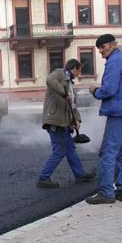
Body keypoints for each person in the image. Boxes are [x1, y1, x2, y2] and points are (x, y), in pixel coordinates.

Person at [87, 34, 122, 204]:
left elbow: (109, 90)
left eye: (103, 47)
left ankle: (106, 192)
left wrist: (95, 91)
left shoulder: (114, 62)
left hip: (119, 112)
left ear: (113, 45)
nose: (101, 51)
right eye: (99, 49)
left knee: (108, 153)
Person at [37, 59, 96, 188]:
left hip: (64, 122)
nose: (78, 74)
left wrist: (77, 120)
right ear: (74, 68)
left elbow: (72, 105)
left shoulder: (70, 83)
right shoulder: (59, 74)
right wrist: (64, 93)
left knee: (70, 149)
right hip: (55, 121)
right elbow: (49, 81)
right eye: (79, 71)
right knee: (60, 150)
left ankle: (80, 174)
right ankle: (43, 177)